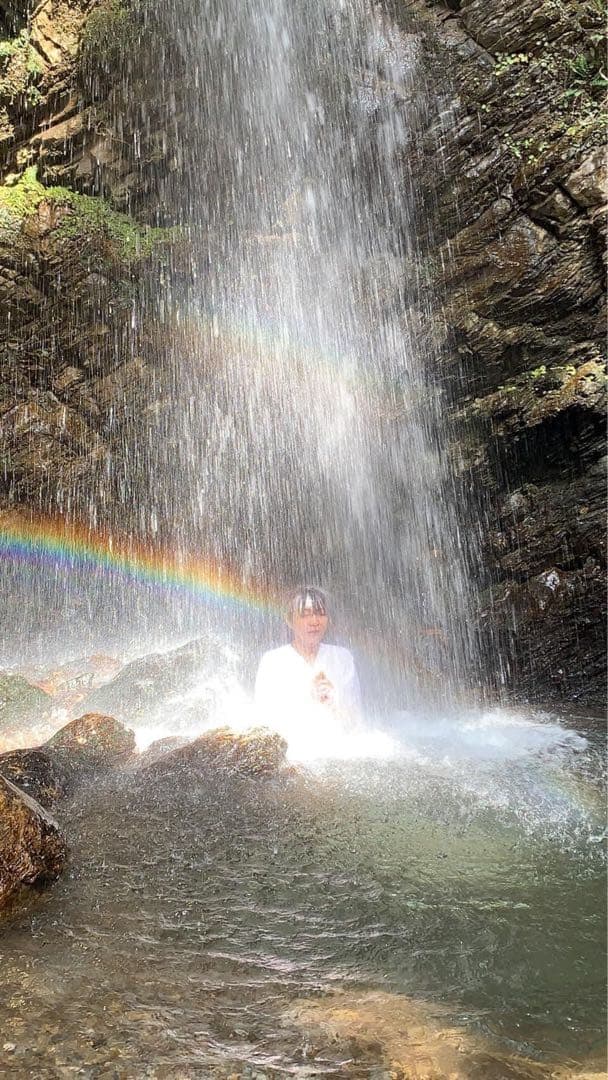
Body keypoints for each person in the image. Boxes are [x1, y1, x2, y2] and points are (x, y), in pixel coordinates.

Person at [254, 586, 362, 727]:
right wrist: (308, 698)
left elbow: (357, 722)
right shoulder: (273, 661)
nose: (314, 621)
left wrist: (333, 702)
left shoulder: (342, 657)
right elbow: (264, 722)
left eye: (320, 613)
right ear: (290, 620)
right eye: (305, 614)